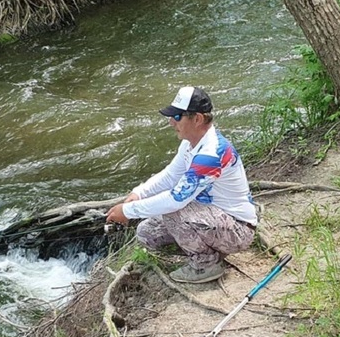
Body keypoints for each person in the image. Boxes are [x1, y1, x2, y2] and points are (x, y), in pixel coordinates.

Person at [106, 86, 258, 284]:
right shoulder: (190, 144)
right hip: (209, 219)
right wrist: (139, 193)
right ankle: (208, 250)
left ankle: (206, 264)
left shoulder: (210, 154)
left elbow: (176, 199)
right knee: (147, 233)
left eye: (177, 117)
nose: (171, 122)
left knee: (173, 210)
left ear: (197, 119)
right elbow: (170, 176)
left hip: (238, 230)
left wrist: (128, 210)